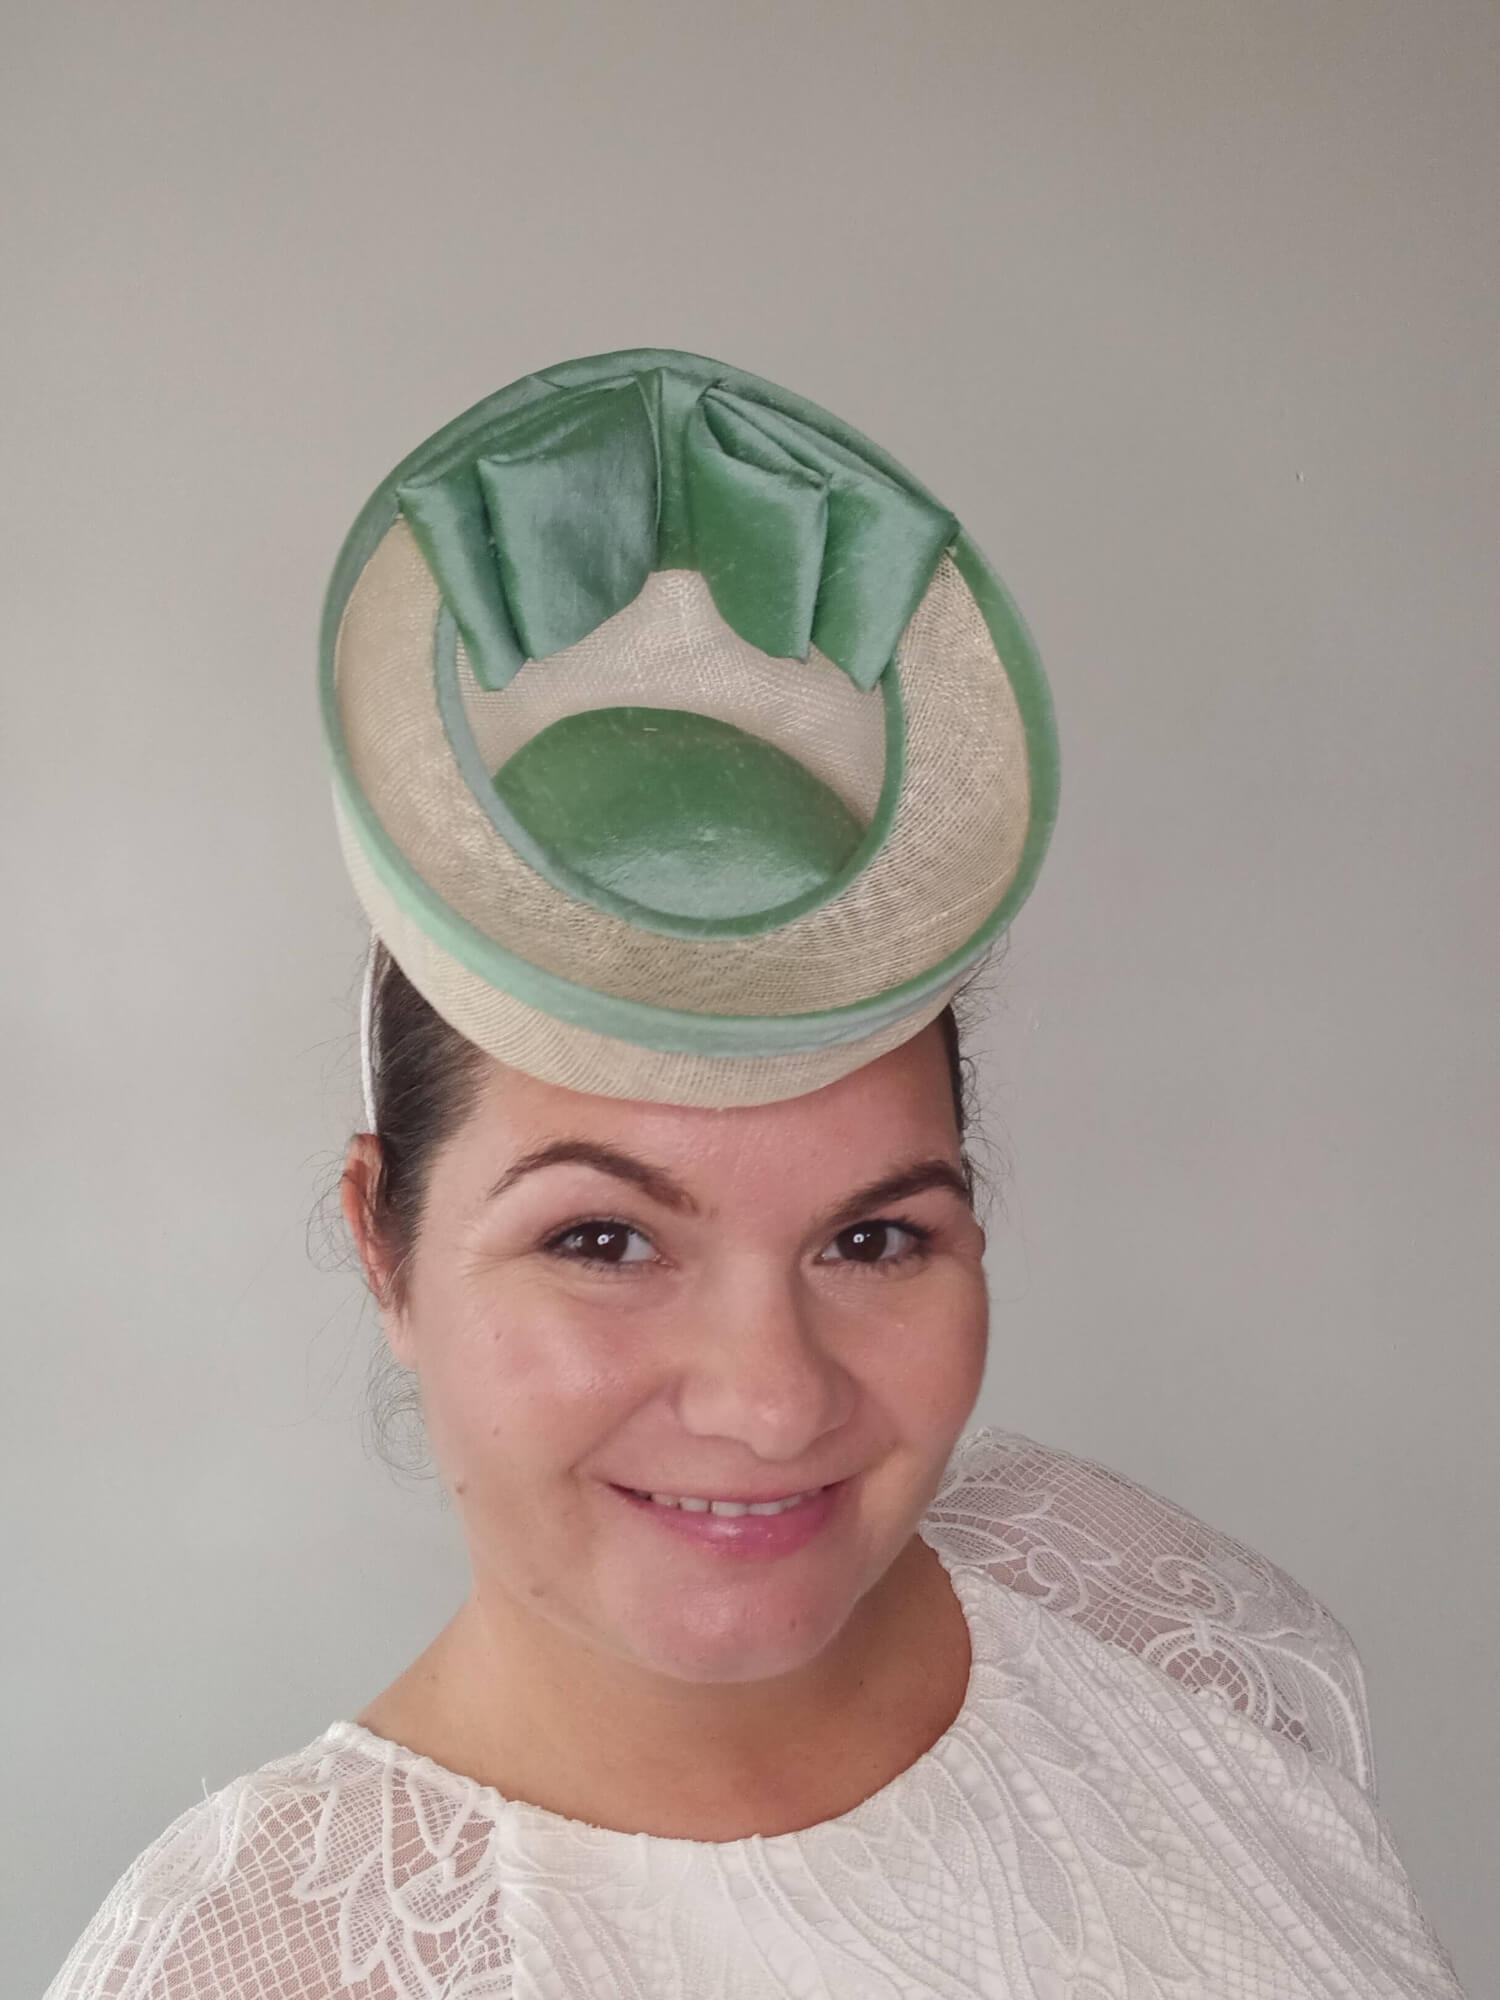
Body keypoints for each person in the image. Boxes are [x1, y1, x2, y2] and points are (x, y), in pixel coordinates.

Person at [47, 350, 1464, 1998]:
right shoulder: (260, 1964)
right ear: (386, 1242)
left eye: (873, 1235)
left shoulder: (1149, 1615)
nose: (773, 1402)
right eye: (603, 1236)